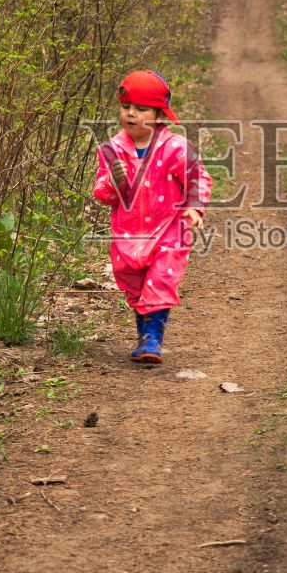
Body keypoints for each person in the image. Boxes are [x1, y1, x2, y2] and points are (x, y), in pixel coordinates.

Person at [92, 70, 211, 365]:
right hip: (128, 233)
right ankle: (144, 334)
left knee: (159, 280)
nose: (131, 114)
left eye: (141, 109)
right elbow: (103, 193)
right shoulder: (112, 150)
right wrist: (113, 182)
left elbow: (198, 177)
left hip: (168, 229)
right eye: (126, 107)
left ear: (159, 115)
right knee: (134, 285)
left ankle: (153, 339)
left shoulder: (174, 148)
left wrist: (194, 206)